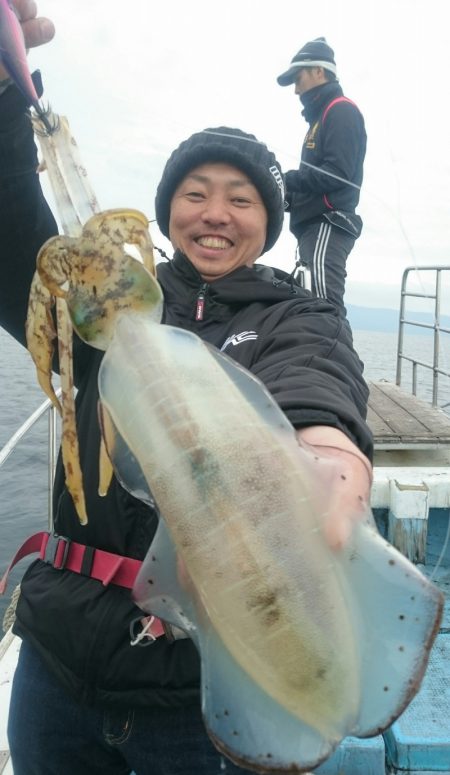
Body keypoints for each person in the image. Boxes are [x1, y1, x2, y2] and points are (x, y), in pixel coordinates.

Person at [0, 4, 373, 774]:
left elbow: (314, 380)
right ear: (168, 209)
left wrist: (327, 448)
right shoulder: (106, 304)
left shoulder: (294, 317)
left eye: (242, 198)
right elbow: (12, 232)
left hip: (193, 691)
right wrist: (8, 95)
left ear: (268, 222)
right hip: (58, 659)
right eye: (197, 192)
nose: (216, 214)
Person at [277, 37, 367, 315]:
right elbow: (316, 179)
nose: (296, 90)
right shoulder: (322, 117)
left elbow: (338, 175)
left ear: (319, 71)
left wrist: (283, 179)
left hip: (328, 222)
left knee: (323, 306)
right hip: (314, 226)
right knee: (313, 304)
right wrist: (282, 196)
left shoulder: (341, 110)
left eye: (298, 79)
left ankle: (336, 346)